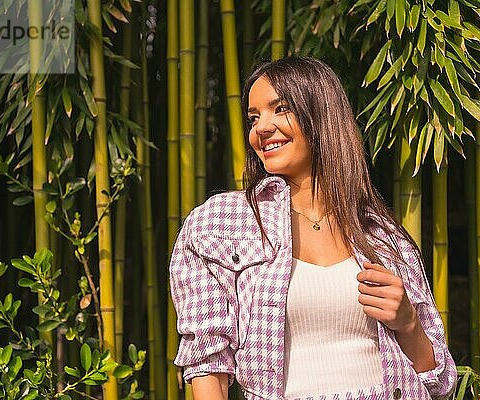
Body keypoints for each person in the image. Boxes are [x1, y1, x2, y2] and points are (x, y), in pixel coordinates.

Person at [169, 56, 457, 400]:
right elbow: (207, 364)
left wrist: (408, 322)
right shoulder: (221, 224)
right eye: (254, 117)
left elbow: (439, 382)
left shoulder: (382, 236)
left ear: (321, 116)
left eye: (281, 108)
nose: (261, 127)